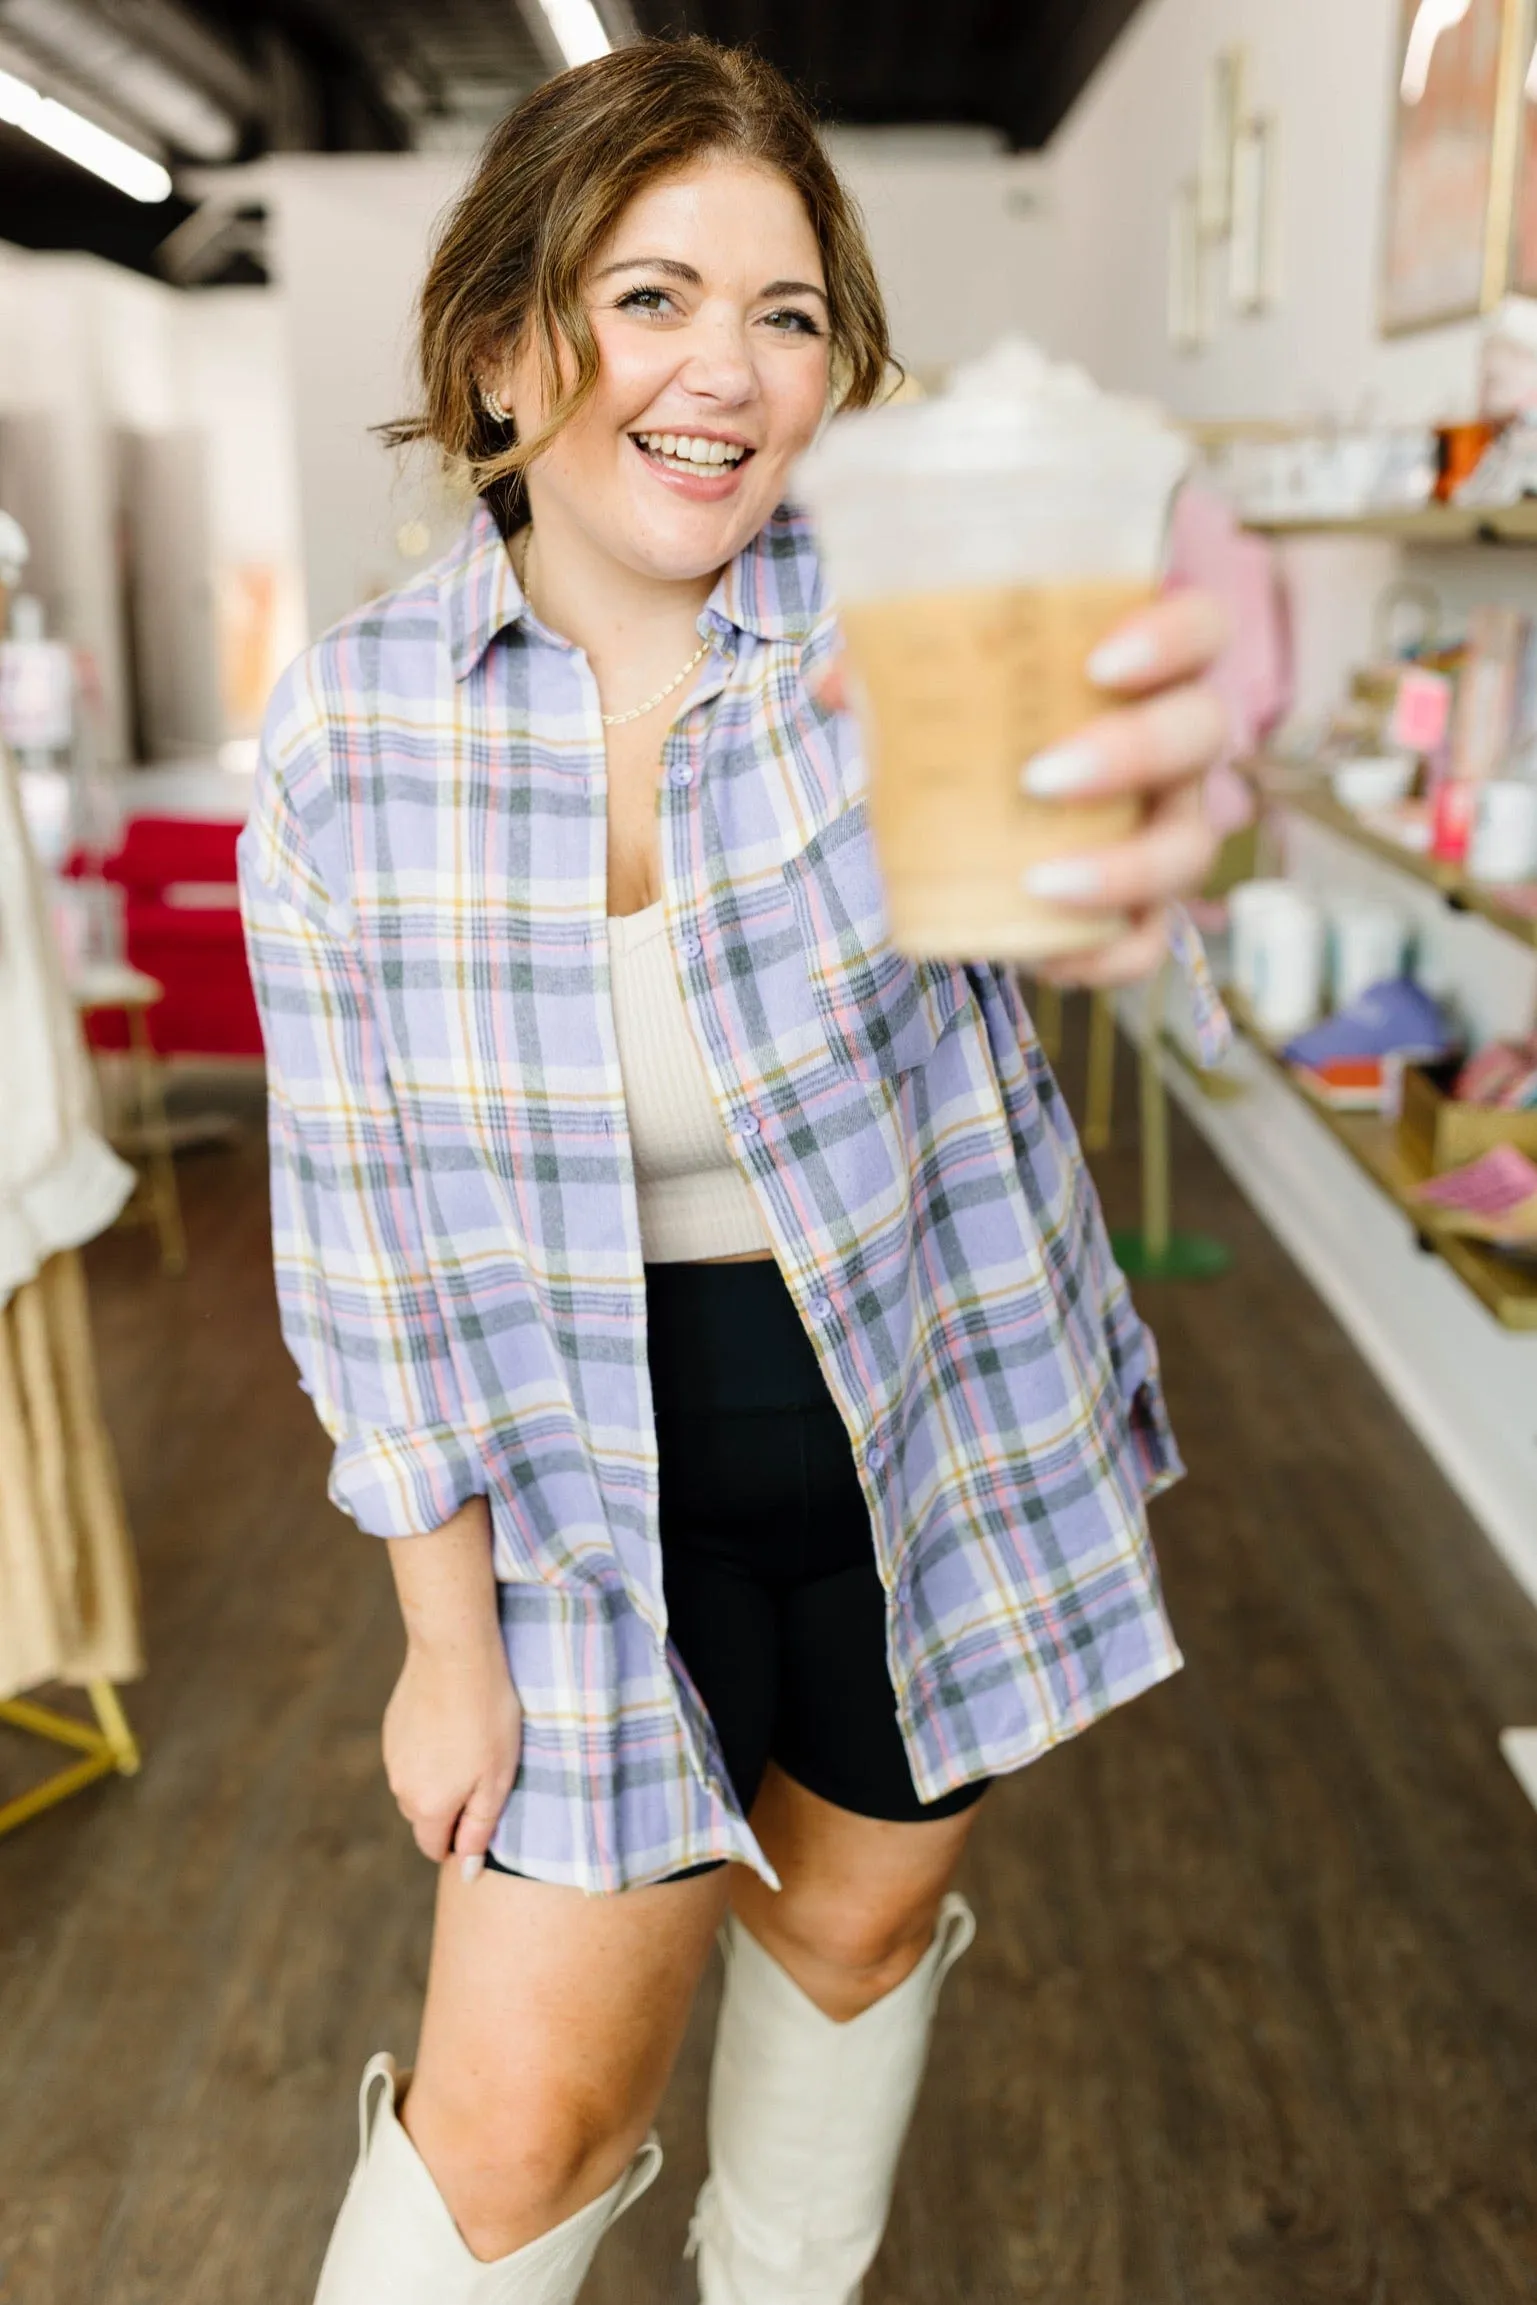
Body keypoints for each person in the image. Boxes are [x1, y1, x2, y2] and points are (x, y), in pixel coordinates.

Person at [238, 36, 1230, 2305]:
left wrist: (1148, 777)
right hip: (588, 1495)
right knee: (517, 2130)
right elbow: (359, 1236)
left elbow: (1083, 811)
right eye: (653, 295)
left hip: (939, 1439)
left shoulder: (887, 644)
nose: (727, 371)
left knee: (861, 1941)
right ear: (507, 343)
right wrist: (438, 1640)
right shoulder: (354, 737)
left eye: (786, 316)